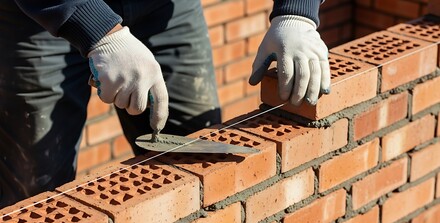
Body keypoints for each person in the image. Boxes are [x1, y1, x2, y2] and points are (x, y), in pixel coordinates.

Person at [0, 0, 330, 208]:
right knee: (35, 193)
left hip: (163, 9)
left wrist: (296, 13)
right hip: (39, 20)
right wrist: (98, 31)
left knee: (201, 160)